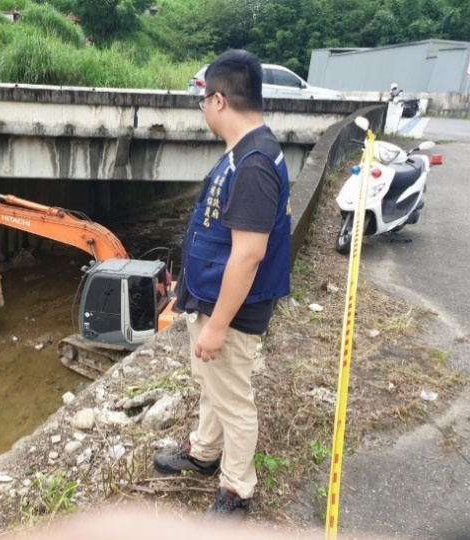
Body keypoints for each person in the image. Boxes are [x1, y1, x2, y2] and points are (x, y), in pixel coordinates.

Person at [153, 49, 291, 518]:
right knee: (214, 384)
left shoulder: (252, 164)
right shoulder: (247, 152)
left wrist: (216, 327)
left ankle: (237, 489)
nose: (202, 109)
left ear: (217, 101)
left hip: (230, 311)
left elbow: (249, 254)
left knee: (232, 397)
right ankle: (204, 452)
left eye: (202, 100)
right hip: (212, 301)